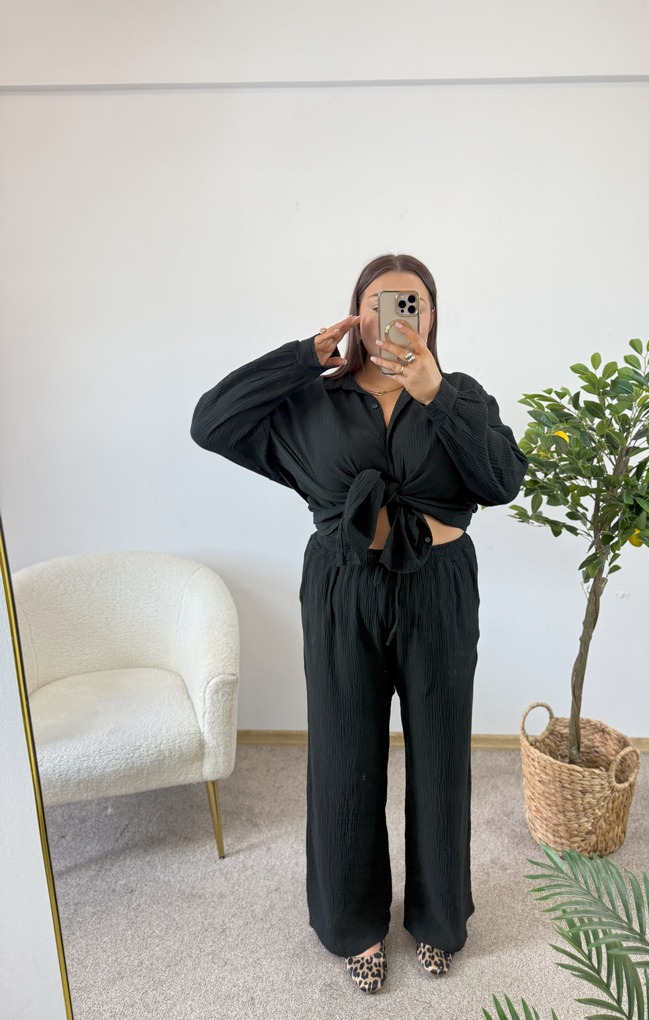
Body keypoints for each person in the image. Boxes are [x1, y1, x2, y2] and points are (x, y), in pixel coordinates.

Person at [190, 253, 528, 993]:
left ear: (430, 316)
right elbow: (210, 422)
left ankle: (439, 919)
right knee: (344, 753)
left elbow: (504, 479)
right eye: (378, 303)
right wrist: (299, 358)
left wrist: (433, 392)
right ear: (355, 313)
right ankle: (352, 924)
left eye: (410, 303)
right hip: (343, 587)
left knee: (441, 753)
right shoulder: (313, 403)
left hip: (439, 587)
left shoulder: (462, 395)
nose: (393, 317)